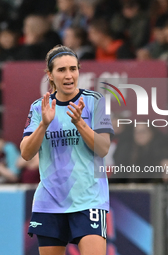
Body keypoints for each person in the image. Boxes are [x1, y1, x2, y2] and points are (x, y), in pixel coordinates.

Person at [20, 45, 114, 254]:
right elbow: (26, 153)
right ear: (50, 75)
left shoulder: (94, 101)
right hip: (50, 201)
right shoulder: (39, 107)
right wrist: (44, 125)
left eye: (73, 69)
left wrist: (80, 123)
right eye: (61, 70)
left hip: (89, 199)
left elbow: (103, 148)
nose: (69, 75)